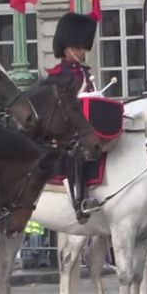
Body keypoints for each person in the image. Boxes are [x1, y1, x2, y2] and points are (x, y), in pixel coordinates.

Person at [48, 12, 102, 220]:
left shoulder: (85, 73)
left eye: (83, 47)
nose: (82, 51)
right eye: (78, 47)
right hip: (66, 132)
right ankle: (79, 201)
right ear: (67, 48)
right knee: (76, 152)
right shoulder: (57, 75)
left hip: (87, 127)